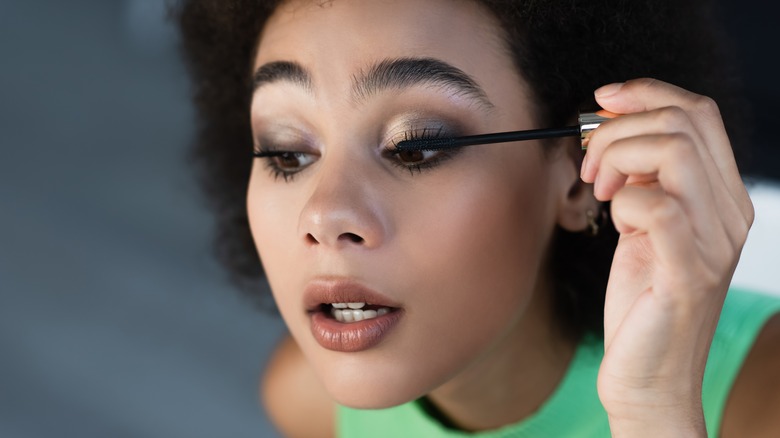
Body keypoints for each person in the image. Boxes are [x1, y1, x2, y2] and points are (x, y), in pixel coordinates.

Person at [175, 0, 780, 436]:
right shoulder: (307, 404)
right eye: (287, 153)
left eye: (415, 148)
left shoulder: (761, 403)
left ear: (581, 175)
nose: (323, 214)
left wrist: (655, 409)